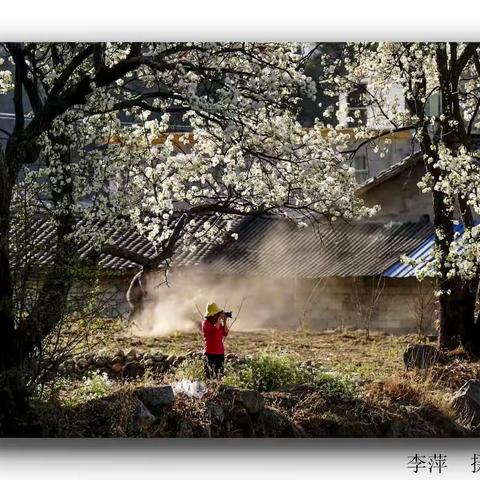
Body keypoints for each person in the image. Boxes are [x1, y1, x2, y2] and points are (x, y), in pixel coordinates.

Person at [202, 302, 230, 379]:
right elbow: (214, 330)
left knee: (220, 376)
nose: (218, 315)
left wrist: (224, 321)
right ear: (211, 315)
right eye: (216, 313)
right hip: (209, 353)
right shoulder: (205, 323)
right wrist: (219, 319)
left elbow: (226, 332)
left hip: (219, 353)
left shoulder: (218, 323)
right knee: (209, 376)